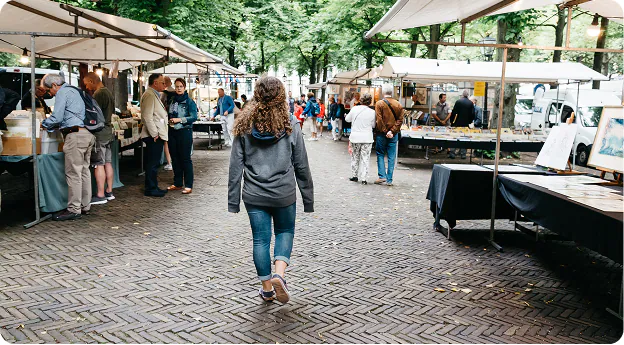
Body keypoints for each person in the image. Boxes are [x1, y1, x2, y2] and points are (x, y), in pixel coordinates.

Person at [228, 76, 314, 304]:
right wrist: (308, 198)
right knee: (285, 232)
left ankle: (267, 289)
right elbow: (301, 164)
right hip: (284, 193)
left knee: (260, 240)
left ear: (257, 94)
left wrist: (233, 201)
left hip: (254, 194)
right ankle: (280, 275)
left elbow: (236, 164)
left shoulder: (244, 124)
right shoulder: (291, 124)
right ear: (281, 96)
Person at [41, 74, 95, 221]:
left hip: (75, 135)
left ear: (53, 85)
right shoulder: (75, 90)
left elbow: (57, 117)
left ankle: (74, 209)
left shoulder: (62, 93)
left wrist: (44, 124)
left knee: (73, 173)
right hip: (87, 133)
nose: (49, 94)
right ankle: (85, 205)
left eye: (48, 90)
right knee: (84, 171)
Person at [83, 73, 115, 205]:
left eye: (86, 83)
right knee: (107, 162)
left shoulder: (98, 94)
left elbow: (93, 115)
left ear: (91, 81)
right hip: (108, 131)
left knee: (99, 164)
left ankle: (100, 194)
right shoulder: (107, 92)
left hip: (100, 133)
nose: (86, 86)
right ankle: (109, 191)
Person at [166, 78, 198, 195]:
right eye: (177, 86)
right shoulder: (172, 100)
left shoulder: (189, 102)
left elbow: (194, 117)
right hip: (172, 131)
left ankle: (188, 185)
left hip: (184, 131)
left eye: (180, 86)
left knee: (185, 159)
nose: (178, 88)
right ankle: (178, 182)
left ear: (184, 88)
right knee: (175, 158)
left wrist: (180, 119)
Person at [141, 73, 169, 197]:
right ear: (155, 83)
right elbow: (147, 116)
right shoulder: (149, 95)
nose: (164, 84)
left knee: (155, 162)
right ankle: (151, 188)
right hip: (154, 135)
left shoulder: (153, 95)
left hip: (157, 134)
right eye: (162, 82)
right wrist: (154, 133)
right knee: (153, 163)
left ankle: (154, 186)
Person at [374, 84, 404, 186]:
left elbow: (379, 119)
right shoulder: (398, 104)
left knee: (380, 153)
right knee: (391, 156)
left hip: (381, 134)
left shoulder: (379, 104)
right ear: (392, 92)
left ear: (383, 92)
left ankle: (382, 176)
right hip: (394, 134)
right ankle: (389, 179)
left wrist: (385, 131)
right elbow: (400, 120)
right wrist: (392, 131)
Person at [346, 93, 376, 185]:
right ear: (370, 102)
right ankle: (364, 178)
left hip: (355, 137)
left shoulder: (355, 109)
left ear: (361, 100)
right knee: (365, 158)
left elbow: (347, 119)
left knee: (355, 156)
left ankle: (355, 175)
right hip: (367, 138)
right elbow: (374, 125)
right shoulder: (372, 112)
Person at [449, 90, 475, 159]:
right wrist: (469, 122)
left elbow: (454, 113)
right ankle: (463, 154)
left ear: (462, 95)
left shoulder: (458, 102)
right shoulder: (470, 103)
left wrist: (452, 122)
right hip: (466, 124)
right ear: (468, 95)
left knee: (455, 138)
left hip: (457, 123)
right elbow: (472, 114)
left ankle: (452, 153)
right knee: (464, 139)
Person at [161, 76, 175, 171]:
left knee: (166, 141)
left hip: (166, 119)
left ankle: (169, 163)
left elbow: (161, 104)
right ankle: (175, 161)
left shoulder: (164, 94)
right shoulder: (176, 92)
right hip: (175, 119)